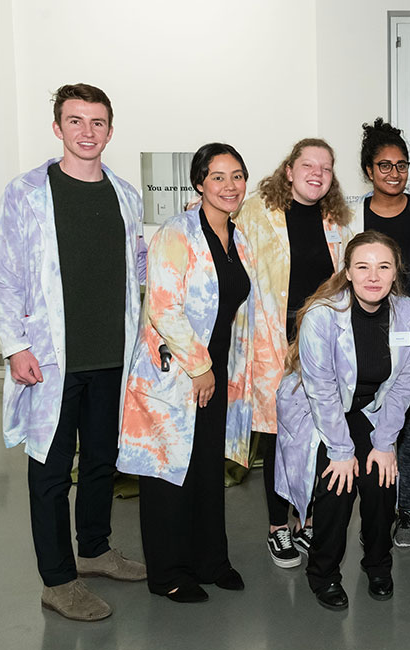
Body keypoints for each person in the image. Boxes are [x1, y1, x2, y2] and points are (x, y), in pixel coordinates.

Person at [0, 83, 147, 622]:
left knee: (103, 460)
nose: (87, 131)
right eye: (75, 121)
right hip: (52, 359)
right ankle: (58, 580)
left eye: (97, 122)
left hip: (112, 354)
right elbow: (5, 277)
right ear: (57, 127)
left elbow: (141, 269)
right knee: (51, 471)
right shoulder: (27, 192)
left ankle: (96, 549)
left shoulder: (126, 194)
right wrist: (16, 347)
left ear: (110, 130)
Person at [117, 143, 260, 603]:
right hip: (176, 373)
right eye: (218, 177)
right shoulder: (176, 234)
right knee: (167, 474)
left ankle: (210, 560)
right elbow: (162, 306)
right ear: (199, 183)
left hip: (217, 375)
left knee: (204, 470)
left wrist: (222, 370)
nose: (229, 185)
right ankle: (169, 573)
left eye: (237, 176)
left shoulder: (237, 240)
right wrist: (199, 367)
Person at [275, 231, 410, 610]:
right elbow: (321, 389)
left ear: (396, 273)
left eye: (383, 267)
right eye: (363, 266)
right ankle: (323, 573)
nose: (373, 276)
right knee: (336, 485)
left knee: (380, 481)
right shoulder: (322, 316)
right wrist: (342, 451)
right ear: (348, 271)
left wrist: (384, 442)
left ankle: (378, 564)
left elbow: (404, 384)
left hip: (370, 407)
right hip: (318, 408)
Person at [234, 138, 352, 567]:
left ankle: (307, 521)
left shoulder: (336, 222)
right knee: (279, 436)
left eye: (326, 167)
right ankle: (277, 527)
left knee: (321, 432)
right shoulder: (256, 212)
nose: (317, 173)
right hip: (271, 340)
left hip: (319, 342)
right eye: (308, 165)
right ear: (289, 170)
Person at [348, 118, 410, 549]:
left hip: (409, 333)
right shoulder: (349, 214)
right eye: (384, 166)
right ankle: (370, 512)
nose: (394, 174)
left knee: (409, 424)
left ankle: (405, 512)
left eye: (401, 165)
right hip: (359, 331)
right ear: (368, 170)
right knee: (357, 421)